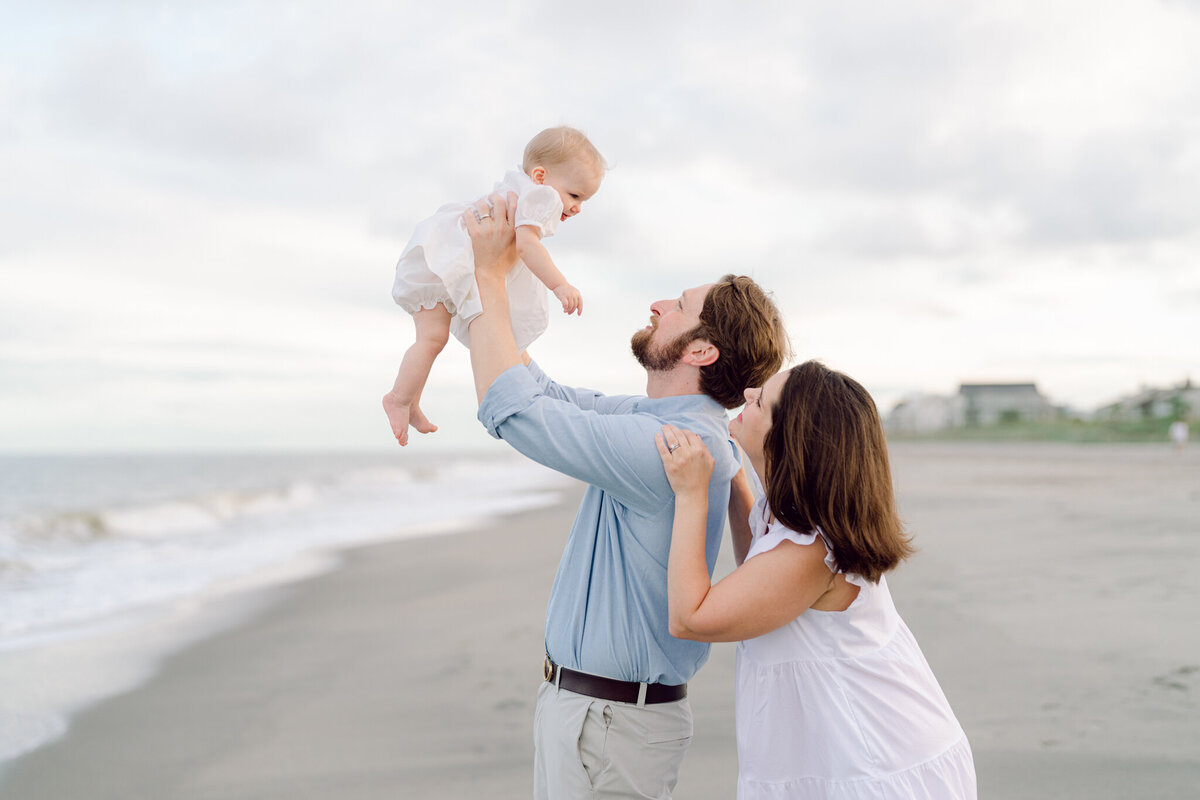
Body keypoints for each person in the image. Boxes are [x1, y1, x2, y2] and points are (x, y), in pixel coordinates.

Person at [463, 192, 788, 799]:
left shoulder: (673, 443)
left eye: (680, 305)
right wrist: (484, 286)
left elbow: (518, 414)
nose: (658, 305)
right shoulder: (663, 420)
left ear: (700, 350)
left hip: (614, 726)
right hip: (594, 715)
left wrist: (487, 275)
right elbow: (541, 390)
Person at [655, 360, 977, 799]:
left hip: (877, 765)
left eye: (761, 400)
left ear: (788, 440)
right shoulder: (790, 518)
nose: (748, 393)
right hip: (855, 752)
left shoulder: (811, 552)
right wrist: (734, 478)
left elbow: (690, 618)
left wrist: (691, 493)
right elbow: (758, 570)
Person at [383, 126, 605, 444]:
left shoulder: (522, 184)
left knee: (431, 340)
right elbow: (529, 246)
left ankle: (406, 399)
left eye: (584, 200)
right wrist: (561, 285)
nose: (577, 207)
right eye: (574, 195)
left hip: (438, 255)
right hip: (447, 260)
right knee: (432, 341)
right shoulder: (539, 196)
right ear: (541, 176)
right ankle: (398, 399)